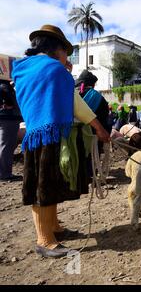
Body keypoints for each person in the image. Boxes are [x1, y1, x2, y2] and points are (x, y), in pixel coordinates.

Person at [11, 24, 110, 258]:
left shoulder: (23, 69)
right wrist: (99, 128)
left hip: (36, 132)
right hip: (51, 134)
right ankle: (44, 240)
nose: (67, 56)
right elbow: (76, 104)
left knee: (47, 184)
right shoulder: (54, 70)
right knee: (43, 187)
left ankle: (54, 227)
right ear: (56, 49)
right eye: (65, 51)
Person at [0, 81, 22, 181]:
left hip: (5, 116)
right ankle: (4, 173)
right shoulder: (4, 82)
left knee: (4, 145)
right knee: (7, 146)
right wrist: (8, 103)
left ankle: (4, 172)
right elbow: (3, 89)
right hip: (8, 116)